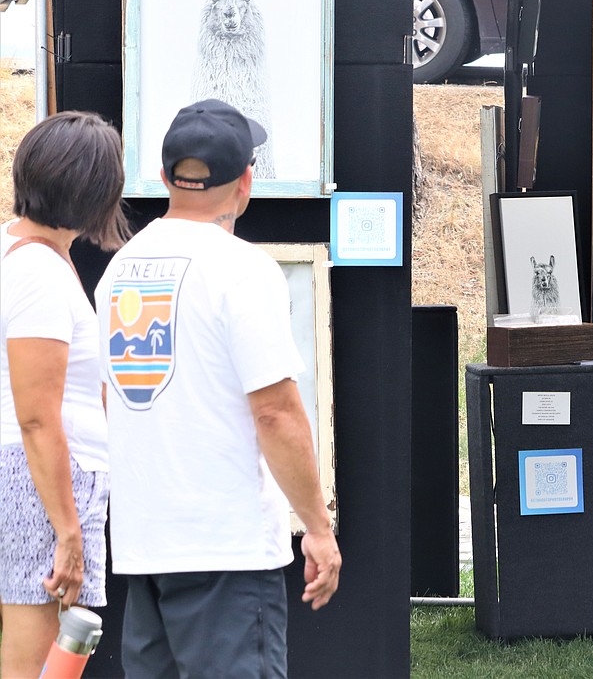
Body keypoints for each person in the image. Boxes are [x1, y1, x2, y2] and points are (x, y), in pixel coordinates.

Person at [95, 99, 341, 677]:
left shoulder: (119, 270)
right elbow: (276, 414)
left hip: (144, 545)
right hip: (225, 550)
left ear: (163, 177)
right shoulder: (242, 270)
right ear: (246, 182)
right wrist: (318, 528)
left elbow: (111, 401)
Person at [1, 111, 130, 677]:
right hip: (42, 484)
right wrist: (68, 530)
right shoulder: (40, 274)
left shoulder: (27, 256)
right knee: (38, 666)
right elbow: (36, 417)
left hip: (37, 479)